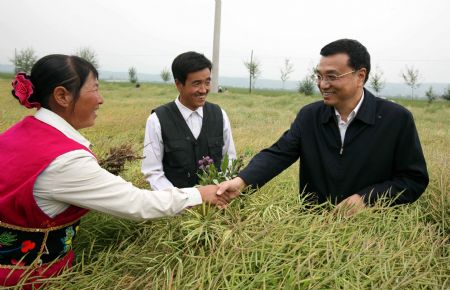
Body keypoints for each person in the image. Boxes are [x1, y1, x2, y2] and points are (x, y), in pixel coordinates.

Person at [0, 55, 231, 288]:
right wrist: (199, 195)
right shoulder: (65, 160)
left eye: (208, 82)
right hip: (29, 279)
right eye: (95, 89)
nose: (101, 99)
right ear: (62, 96)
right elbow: (137, 203)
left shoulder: (17, 134)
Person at [218, 39, 429, 214]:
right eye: (319, 76)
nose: (322, 84)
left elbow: (413, 180)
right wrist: (242, 181)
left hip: (374, 234)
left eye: (331, 77)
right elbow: (279, 154)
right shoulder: (310, 116)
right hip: (315, 230)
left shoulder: (395, 119)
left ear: (360, 76)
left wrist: (366, 200)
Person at [142, 51, 236, 190]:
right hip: (176, 207)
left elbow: (229, 161)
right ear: (179, 84)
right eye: (197, 83)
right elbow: (153, 173)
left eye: (208, 82)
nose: (203, 90)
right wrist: (184, 201)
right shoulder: (157, 120)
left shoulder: (219, 115)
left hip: (217, 204)